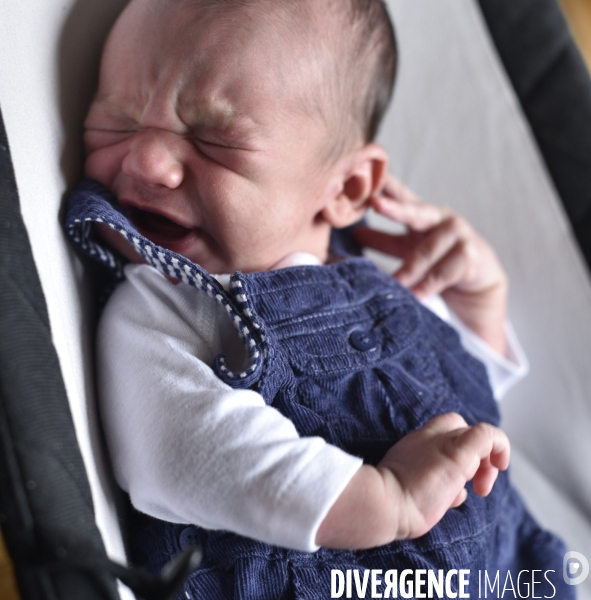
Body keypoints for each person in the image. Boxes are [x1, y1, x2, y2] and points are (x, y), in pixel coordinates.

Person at [65, 0, 570, 597]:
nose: (146, 160)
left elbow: (445, 417)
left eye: (213, 137)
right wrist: (384, 501)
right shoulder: (164, 303)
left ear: (349, 188)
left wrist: (480, 315)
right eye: (118, 122)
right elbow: (179, 449)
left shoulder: (375, 283)